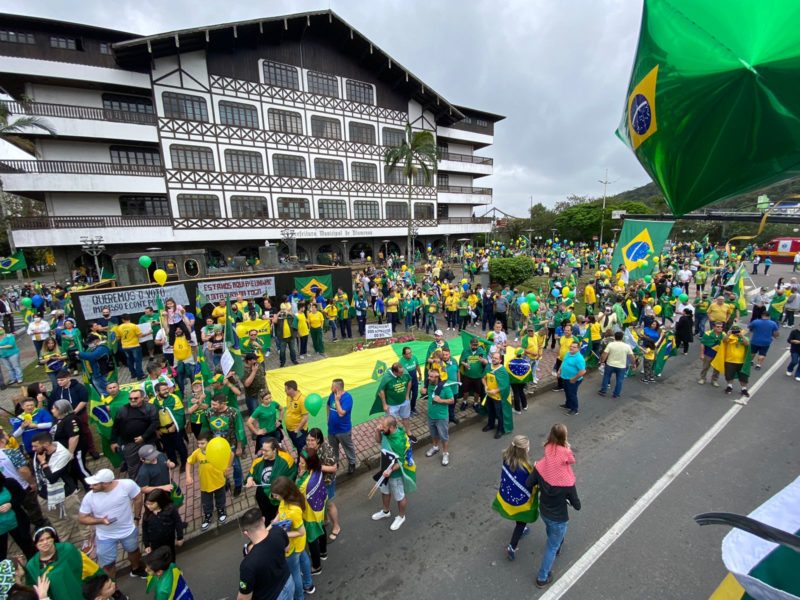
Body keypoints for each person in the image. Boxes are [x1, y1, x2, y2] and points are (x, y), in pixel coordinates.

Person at [528, 442, 582, 588]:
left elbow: (528, 484)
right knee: (551, 547)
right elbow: (577, 505)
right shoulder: (567, 481)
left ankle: (557, 546)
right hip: (559, 518)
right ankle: (542, 577)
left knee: (551, 531)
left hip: (544, 511)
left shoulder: (541, 467)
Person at [78, 469, 146, 579]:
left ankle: (136, 569)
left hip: (128, 530)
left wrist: (137, 518)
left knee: (134, 551)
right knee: (108, 565)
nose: (91, 487)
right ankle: (112, 588)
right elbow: (82, 518)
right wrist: (100, 521)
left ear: (106, 483)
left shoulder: (127, 485)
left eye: (95, 484)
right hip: (105, 537)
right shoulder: (89, 497)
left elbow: (138, 498)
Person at [492, 435, 537, 562]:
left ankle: (521, 529)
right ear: (524, 450)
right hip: (520, 503)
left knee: (518, 518)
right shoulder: (526, 468)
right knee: (522, 520)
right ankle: (512, 546)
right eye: (528, 446)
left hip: (508, 496)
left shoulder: (506, 458)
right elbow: (530, 484)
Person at [24, 527, 101, 600]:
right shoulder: (32, 566)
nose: (45, 542)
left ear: (53, 539)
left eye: (48, 538)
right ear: (35, 544)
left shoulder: (68, 550)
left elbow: (86, 567)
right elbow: (32, 588)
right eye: (41, 540)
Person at [270, 476, 315, 598]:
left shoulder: (293, 511)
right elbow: (280, 513)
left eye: (276, 495)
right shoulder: (286, 501)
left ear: (284, 493)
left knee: (294, 572)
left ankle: (299, 596)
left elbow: (301, 532)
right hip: (298, 545)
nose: (274, 497)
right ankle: (309, 584)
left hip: (293, 546)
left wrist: (281, 533)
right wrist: (273, 524)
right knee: (304, 558)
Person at [237, 507, 293, 600]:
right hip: (288, 582)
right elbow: (287, 549)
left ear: (246, 533)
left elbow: (243, 598)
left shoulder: (247, 565)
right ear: (263, 519)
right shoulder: (279, 531)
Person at [371, 416, 415, 532]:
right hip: (385, 471)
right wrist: (377, 430)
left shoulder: (399, 441)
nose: (381, 427)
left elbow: (400, 462)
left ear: (391, 427)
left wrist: (390, 470)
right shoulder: (387, 432)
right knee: (385, 491)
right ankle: (386, 511)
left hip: (395, 474)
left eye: (383, 426)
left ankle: (401, 516)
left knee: (400, 496)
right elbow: (378, 440)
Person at [200, 395, 245, 496]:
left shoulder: (233, 412)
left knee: (236, 466)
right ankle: (226, 482)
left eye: (215, 404)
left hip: (231, 446)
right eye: (212, 404)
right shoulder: (208, 413)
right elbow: (205, 429)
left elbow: (239, 430)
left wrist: (239, 447)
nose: (212, 406)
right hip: (216, 448)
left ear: (223, 404)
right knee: (220, 467)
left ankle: (238, 484)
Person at [0, 430, 47, 528]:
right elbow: (24, 470)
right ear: (2, 440)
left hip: (4, 492)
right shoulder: (11, 453)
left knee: (16, 511)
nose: (7, 435)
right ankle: (40, 526)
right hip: (22, 487)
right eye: (5, 434)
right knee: (33, 509)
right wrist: (32, 483)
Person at [110, 388, 158, 480]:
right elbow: (115, 426)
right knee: (132, 466)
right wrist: (113, 441)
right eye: (130, 398)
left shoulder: (149, 407)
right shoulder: (123, 409)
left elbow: (154, 423)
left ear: (142, 398)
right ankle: (136, 484)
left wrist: (143, 437)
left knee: (152, 461)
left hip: (147, 441)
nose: (132, 400)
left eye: (135, 398)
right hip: (130, 444)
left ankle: (155, 480)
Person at [245, 437, 296, 523]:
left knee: (280, 519)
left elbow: (292, 477)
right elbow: (252, 471)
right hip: (263, 497)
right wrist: (250, 479)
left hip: (279, 498)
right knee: (267, 518)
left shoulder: (286, 460)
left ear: (274, 450)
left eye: (266, 451)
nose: (263, 453)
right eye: (262, 450)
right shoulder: (260, 460)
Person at [185, 431, 228, 531]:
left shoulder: (217, 450)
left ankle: (221, 510)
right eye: (198, 443)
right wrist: (188, 475)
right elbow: (188, 462)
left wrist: (227, 467)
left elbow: (230, 454)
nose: (199, 445)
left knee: (220, 498)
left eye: (202, 443)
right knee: (206, 502)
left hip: (219, 481)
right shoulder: (197, 453)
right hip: (205, 483)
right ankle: (208, 515)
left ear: (210, 442)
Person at [51, 370, 98, 459]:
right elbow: (53, 402)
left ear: (68, 378)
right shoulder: (57, 390)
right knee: (68, 433)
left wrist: (74, 412)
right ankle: (71, 449)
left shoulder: (79, 387)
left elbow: (84, 400)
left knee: (85, 431)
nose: (59, 382)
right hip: (62, 417)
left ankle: (92, 450)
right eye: (58, 380)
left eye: (62, 380)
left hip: (79, 414)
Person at [30, 432, 78, 518]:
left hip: (66, 495)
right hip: (45, 496)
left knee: (79, 520)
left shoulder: (62, 454)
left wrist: (43, 463)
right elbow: (35, 472)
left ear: (46, 444)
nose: (33, 449)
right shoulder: (40, 452)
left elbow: (52, 478)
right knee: (58, 525)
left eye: (35, 446)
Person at [305, 428, 340, 542]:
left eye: (312, 440)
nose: (309, 443)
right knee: (321, 504)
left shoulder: (326, 450)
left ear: (318, 441)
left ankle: (336, 526)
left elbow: (334, 468)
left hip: (326, 481)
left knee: (329, 505)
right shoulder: (308, 449)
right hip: (315, 482)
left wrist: (319, 468)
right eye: (308, 440)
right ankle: (325, 521)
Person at [295, 452, 327, 575]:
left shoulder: (303, 484)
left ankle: (317, 566)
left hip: (309, 514)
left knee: (312, 540)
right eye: (300, 461)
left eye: (302, 463)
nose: (299, 464)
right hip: (319, 508)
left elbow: (295, 495)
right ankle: (323, 552)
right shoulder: (317, 470)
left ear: (310, 464)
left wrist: (300, 476)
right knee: (322, 528)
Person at [49, 400, 91, 488]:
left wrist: (70, 453)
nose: (52, 410)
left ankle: (91, 484)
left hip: (76, 449)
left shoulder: (71, 419)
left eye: (53, 408)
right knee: (72, 469)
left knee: (80, 468)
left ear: (60, 409)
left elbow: (74, 437)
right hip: (64, 450)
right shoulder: (58, 420)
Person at [376, 363, 416, 444]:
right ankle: (392, 438)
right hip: (392, 405)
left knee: (406, 418)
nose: (402, 374)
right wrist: (384, 404)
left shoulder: (404, 373)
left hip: (404, 402)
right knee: (390, 422)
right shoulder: (386, 378)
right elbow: (381, 390)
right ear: (394, 372)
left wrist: (407, 395)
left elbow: (409, 380)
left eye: (402, 371)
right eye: (400, 373)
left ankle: (408, 433)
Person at [151, 382, 188, 470]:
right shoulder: (152, 402)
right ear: (157, 392)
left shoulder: (174, 398)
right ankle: (173, 462)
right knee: (168, 448)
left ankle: (184, 463)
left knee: (180, 446)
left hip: (174, 429)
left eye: (167, 389)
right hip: (162, 431)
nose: (167, 391)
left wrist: (175, 426)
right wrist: (156, 430)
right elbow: (151, 418)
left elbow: (180, 413)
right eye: (163, 390)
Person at [141, 489, 184, 561]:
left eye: (151, 504)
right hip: (155, 543)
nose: (149, 506)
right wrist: (147, 545)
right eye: (147, 504)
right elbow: (144, 529)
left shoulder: (170, 509)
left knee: (171, 558)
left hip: (169, 541)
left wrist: (180, 537)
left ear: (159, 501)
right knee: (158, 560)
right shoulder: (147, 514)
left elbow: (178, 522)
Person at [0, 472, 35, 560]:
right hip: (1, 528)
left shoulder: (9, 483)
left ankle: (36, 568)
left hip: (17, 522)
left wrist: (11, 504)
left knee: (28, 547)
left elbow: (22, 495)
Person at [422, 369, 453, 466]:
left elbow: (452, 400)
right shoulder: (429, 385)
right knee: (434, 434)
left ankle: (445, 453)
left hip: (441, 417)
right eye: (429, 376)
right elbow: (427, 393)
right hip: (431, 416)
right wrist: (423, 391)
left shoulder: (445, 387)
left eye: (431, 376)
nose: (428, 378)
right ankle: (435, 447)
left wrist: (441, 401)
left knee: (444, 437)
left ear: (436, 377)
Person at [326, 379, 356, 475]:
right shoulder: (332, 395)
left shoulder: (347, 398)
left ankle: (352, 463)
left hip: (343, 430)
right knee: (333, 448)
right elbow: (327, 405)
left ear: (337, 388)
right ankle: (336, 463)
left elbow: (341, 413)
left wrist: (337, 401)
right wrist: (328, 418)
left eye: (332, 386)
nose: (331, 387)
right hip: (332, 429)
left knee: (348, 447)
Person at [713, 325, 752, 397]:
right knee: (729, 375)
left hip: (741, 362)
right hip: (729, 361)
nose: (735, 332)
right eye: (734, 331)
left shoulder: (744, 338)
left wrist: (741, 336)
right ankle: (729, 386)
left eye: (737, 331)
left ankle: (744, 389)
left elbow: (747, 343)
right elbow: (724, 341)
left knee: (743, 376)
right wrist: (728, 334)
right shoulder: (729, 338)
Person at [481, 351, 512, 439]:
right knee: (490, 412)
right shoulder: (488, 367)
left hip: (498, 397)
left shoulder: (502, 371)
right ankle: (490, 425)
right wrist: (485, 386)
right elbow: (483, 378)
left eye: (496, 358)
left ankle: (500, 429)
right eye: (493, 358)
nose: (494, 360)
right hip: (489, 395)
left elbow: (505, 385)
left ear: (500, 360)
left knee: (499, 414)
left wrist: (496, 390)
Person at [598, 331, 634, 399]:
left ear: (615, 337)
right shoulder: (627, 346)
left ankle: (603, 391)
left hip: (610, 364)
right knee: (619, 380)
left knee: (606, 377)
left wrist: (602, 361)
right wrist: (633, 363)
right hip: (621, 366)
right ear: (622, 338)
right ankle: (616, 394)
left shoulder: (611, 344)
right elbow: (632, 356)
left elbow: (605, 354)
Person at [459, 336, 488, 411]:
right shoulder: (466, 350)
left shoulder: (481, 351)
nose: (475, 346)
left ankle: (475, 403)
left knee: (477, 391)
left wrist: (483, 361)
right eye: (473, 345)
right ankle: (465, 402)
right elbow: (461, 360)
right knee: (465, 390)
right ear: (470, 344)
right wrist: (465, 364)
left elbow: (486, 362)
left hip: (478, 376)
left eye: (476, 345)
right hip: (467, 375)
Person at [558, 342, 586, 416]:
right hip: (565, 377)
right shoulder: (568, 353)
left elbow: (582, 371)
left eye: (574, 347)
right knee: (567, 392)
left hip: (573, 380)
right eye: (571, 346)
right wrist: (559, 370)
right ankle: (568, 405)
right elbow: (564, 362)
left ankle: (574, 409)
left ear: (578, 349)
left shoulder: (579, 358)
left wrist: (574, 379)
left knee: (572, 394)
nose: (571, 348)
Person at [283, 381, 309, 453]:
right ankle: (300, 459)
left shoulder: (302, 400)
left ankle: (304, 461)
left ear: (291, 389)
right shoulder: (288, 397)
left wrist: (297, 429)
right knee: (297, 445)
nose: (285, 391)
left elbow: (305, 417)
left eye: (286, 390)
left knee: (302, 447)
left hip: (299, 431)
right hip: (290, 429)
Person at [116, 314, 145, 380]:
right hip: (134, 345)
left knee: (129, 361)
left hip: (125, 346)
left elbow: (118, 338)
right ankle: (140, 375)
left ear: (122, 320)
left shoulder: (119, 327)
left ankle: (133, 374)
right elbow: (140, 335)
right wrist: (149, 333)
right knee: (138, 361)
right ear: (129, 318)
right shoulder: (133, 326)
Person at [398, 346, 422, 416]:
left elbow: (417, 366)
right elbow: (399, 374)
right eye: (408, 353)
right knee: (408, 396)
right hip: (406, 382)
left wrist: (420, 374)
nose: (410, 354)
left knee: (415, 394)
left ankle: (413, 408)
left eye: (410, 352)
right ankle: (407, 410)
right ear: (404, 355)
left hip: (414, 380)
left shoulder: (414, 357)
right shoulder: (401, 362)